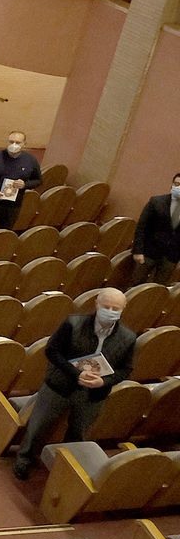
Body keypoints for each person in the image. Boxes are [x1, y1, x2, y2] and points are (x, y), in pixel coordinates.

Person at [12, 288, 136, 479]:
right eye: (106, 306)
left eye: (115, 308)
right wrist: (76, 374)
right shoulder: (73, 323)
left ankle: (65, 472)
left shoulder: (128, 337)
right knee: (38, 427)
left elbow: (125, 369)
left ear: (123, 308)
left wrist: (104, 381)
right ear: (97, 304)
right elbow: (52, 351)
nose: (110, 311)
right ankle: (24, 460)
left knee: (78, 435)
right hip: (59, 386)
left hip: (94, 394)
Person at [132, 173, 180, 285]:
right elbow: (141, 227)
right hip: (148, 253)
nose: (178, 188)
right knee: (135, 285)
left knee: (158, 289)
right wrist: (138, 251)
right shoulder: (157, 202)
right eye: (176, 184)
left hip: (171, 257)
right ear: (172, 185)